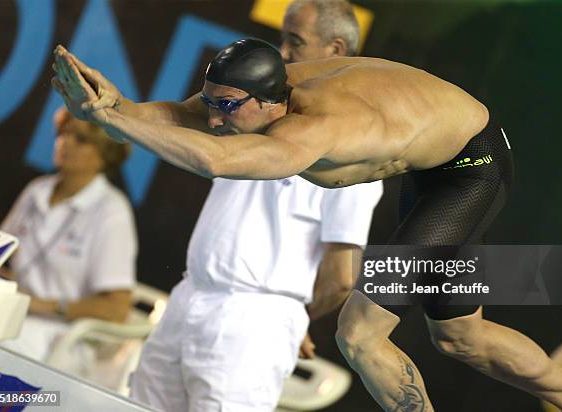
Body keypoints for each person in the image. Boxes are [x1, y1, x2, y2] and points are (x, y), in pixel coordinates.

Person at [52, 31, 562, 411]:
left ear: (271, 106)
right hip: (437, 161)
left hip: (469, 175)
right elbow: (183, 115)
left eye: (227, 109)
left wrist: (109, 122)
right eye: (213, 103)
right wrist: (116, 107)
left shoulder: (312, 132)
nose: (215, 119)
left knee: (360, 336)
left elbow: (211, 159)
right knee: (462, 337)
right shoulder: (259, 91)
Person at [128, 2, 382, 411]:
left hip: (254, 324)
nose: (282, 52)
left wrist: (291, 316)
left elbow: (340, 276)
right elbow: (182, 118)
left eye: (295, 41)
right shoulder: (249, 112)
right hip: (188, 297)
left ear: (336, 50)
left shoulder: (353, 148)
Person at [0, 108, 137, 363]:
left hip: (62, 334)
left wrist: (45, 304)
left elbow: (117, 308)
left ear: (105, 154)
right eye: (64, 133)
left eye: (81, 139)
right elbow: (1, 258)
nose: (65, 143)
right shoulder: (36, 190)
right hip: (10, 312)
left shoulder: (111, 211)